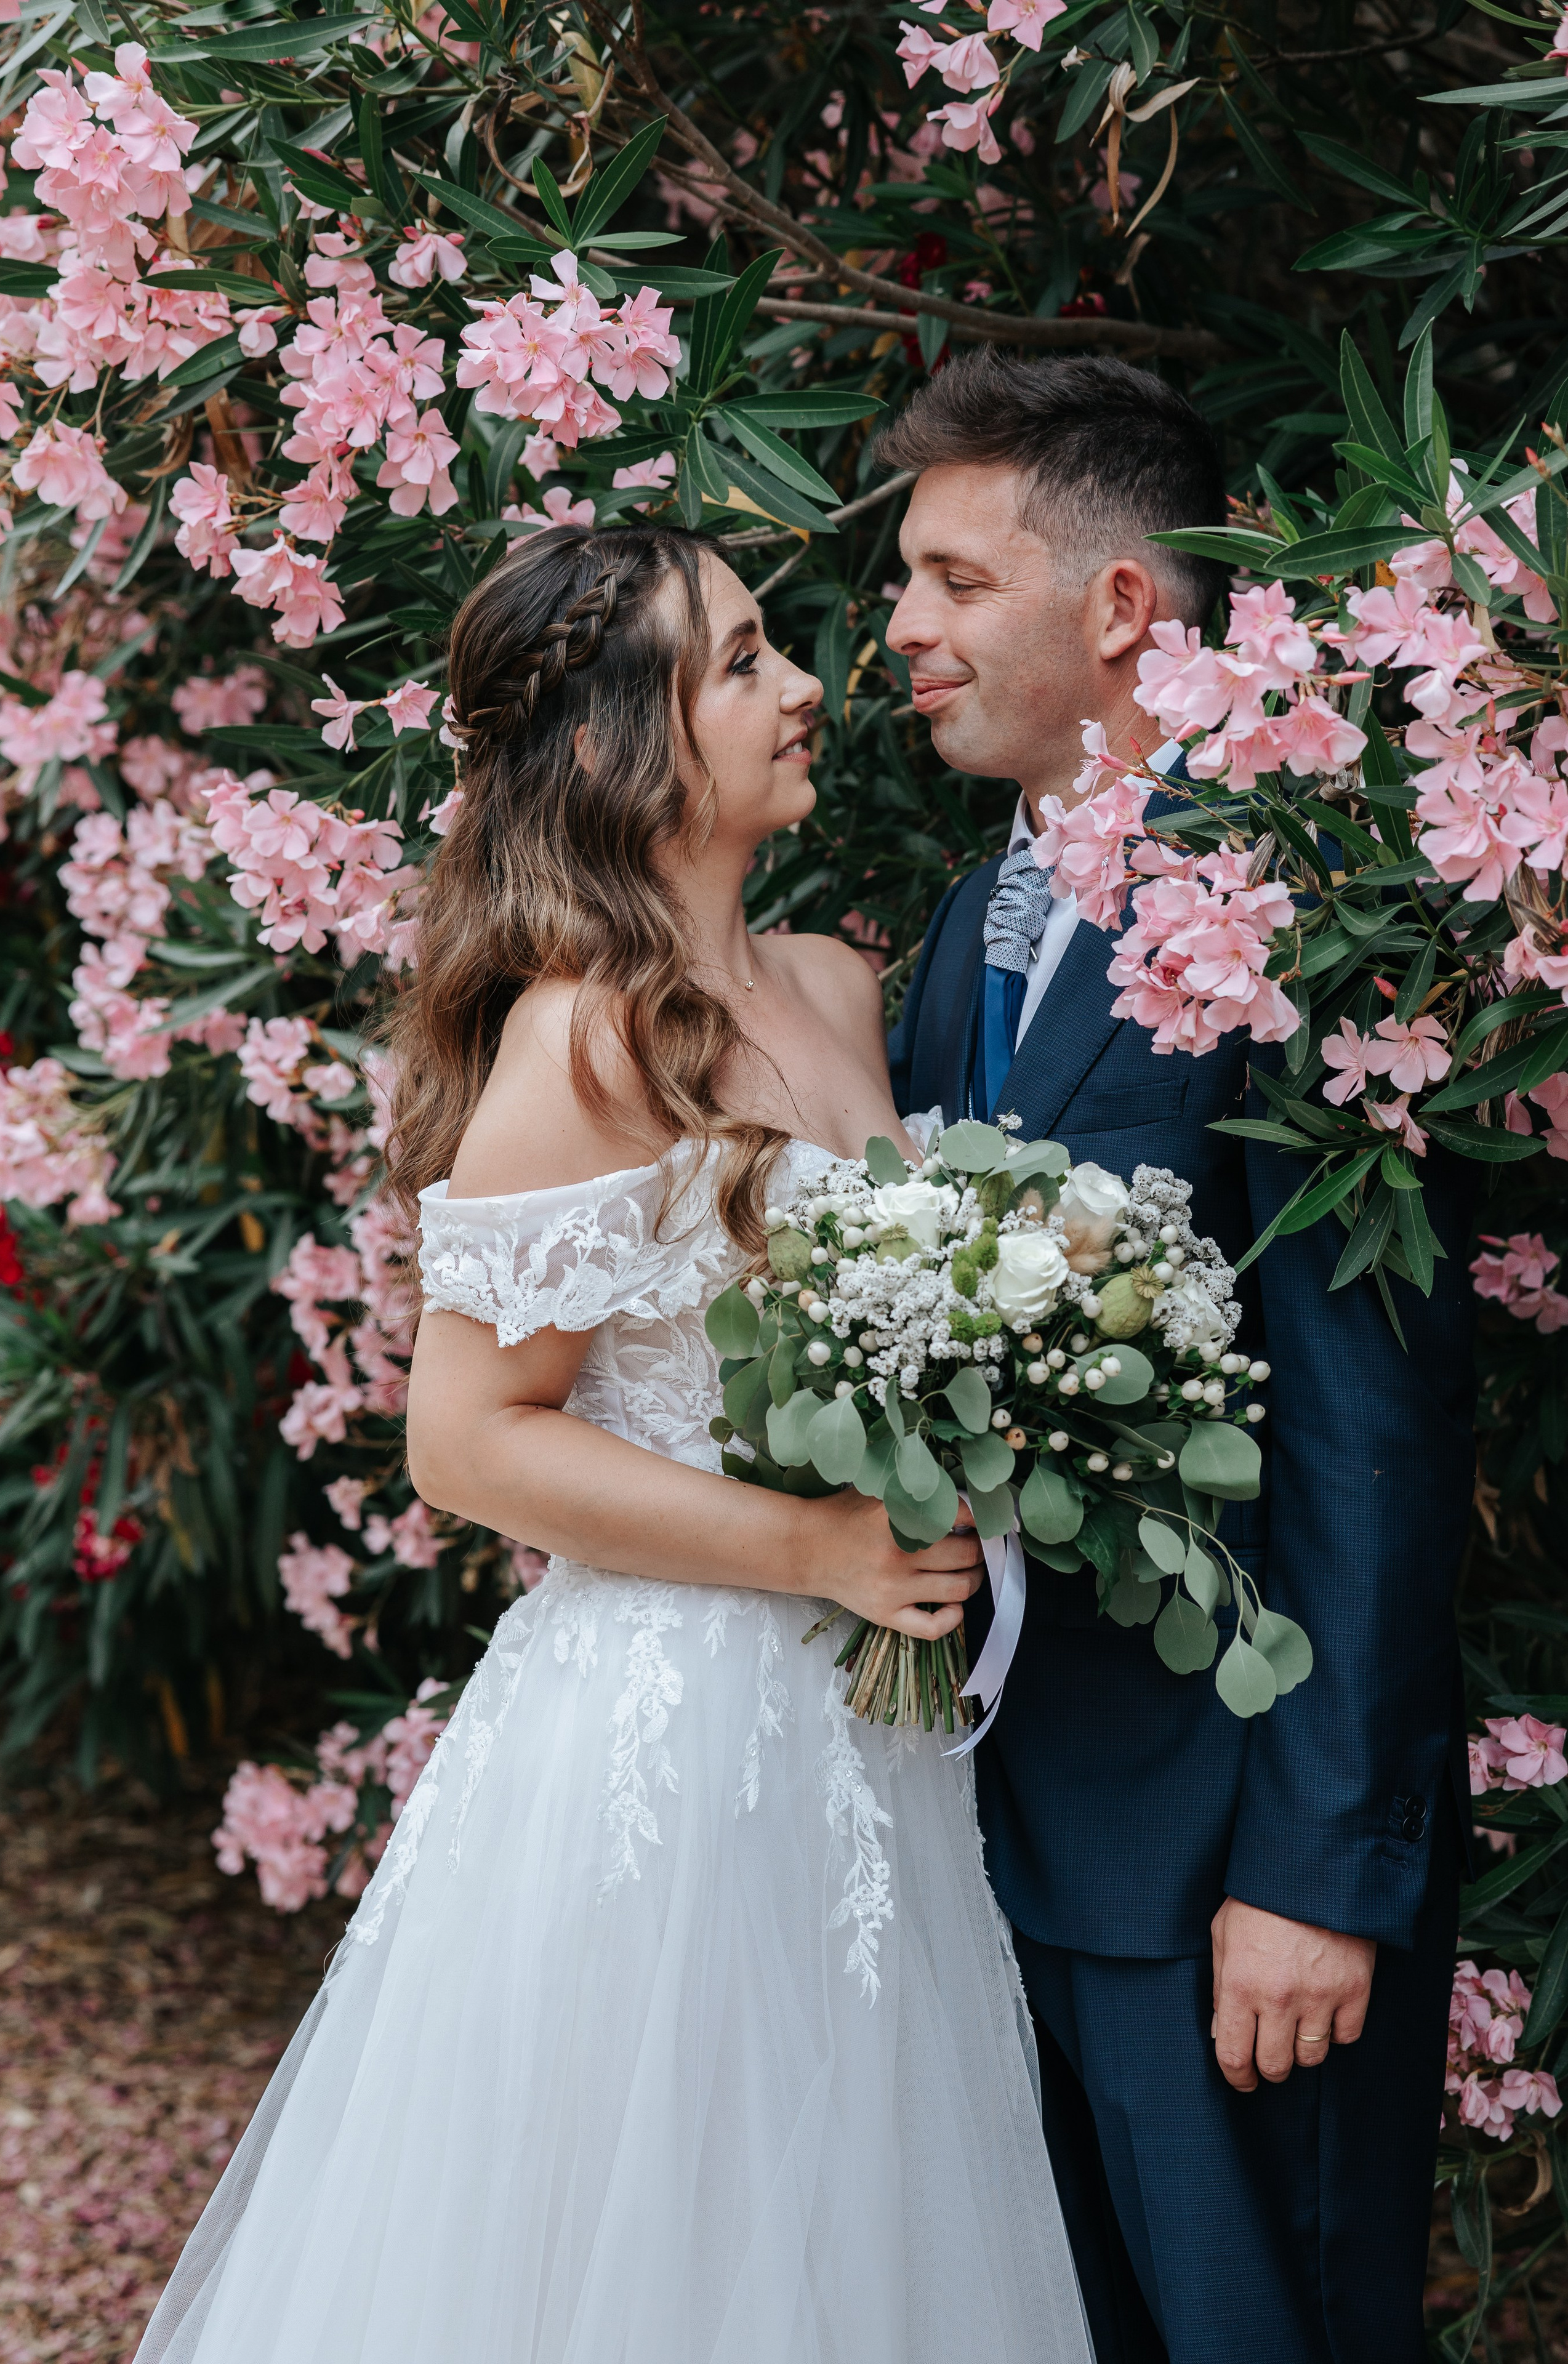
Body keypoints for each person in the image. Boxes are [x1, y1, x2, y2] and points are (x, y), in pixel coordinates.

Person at [132, 522, 1095, 2364]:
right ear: (609, 749)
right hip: (669, 1746)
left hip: (866, 1750)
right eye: (741, 664)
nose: (806, 683)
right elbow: (468, 1443)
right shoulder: (577, 1041)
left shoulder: (827, 982)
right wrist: (813, 1550)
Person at [880, 348, 1476, 2363]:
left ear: (1122, 605)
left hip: (1229, 1860)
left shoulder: (1304, 924)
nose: (904, 628)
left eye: (957, 580)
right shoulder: (975, 922)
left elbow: (1375, 1434)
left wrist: (1320, 1869)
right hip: (1006, 1832)